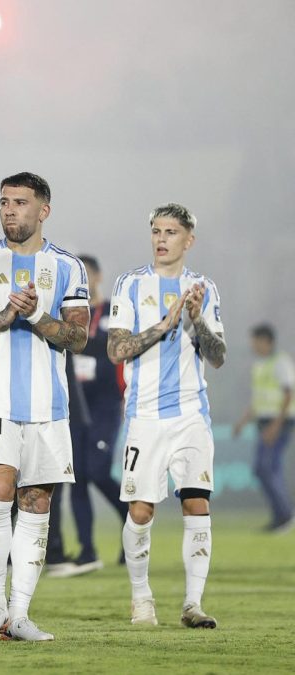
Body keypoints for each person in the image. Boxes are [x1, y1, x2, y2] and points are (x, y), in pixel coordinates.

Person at [0, 172, 90, 642]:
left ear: (43, 211)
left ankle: (20, 615)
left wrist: (35, 316)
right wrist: (6, 315)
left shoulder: (67, 267)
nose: (9, 210)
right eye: (4, 202)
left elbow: (78, 336)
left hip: (49, 405)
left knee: (36, 501)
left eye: (21, 203)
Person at [107, 203, 227, 628]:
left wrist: (195, 321)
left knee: (197, 504)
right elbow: (115, 350)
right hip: (146, 416)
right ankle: (141, 599)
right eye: (156, 230)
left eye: (171, 232)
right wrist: (164, 324)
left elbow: (217, 357)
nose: (161, 239)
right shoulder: (131, 284)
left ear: (188, 240)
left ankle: (193, 604)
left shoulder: (204, 289)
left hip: (193, 415)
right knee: (140, 511)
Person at [55, 255, 129, 574]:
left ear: (98, 277)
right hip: (74, 403)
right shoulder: (67, 313)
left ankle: (134, 523)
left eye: (87, 275)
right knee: (78, 477)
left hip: (106, 403)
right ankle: (87, 550)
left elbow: (111, 347)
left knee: (98, 471)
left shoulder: (112, 311)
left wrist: (76, 337)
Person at [234, 325, 294, 533]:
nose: (253, 345)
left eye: (255, 340)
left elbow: (288, 395)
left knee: (266, 468)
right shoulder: (260, 365)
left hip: (278, 424)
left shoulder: (281, 362)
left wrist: (276, 426)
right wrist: (243, 422)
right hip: (264, 423)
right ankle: (281, 516)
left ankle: (285, 515)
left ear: (266, 341)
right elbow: (258, 399)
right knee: (266, 469)